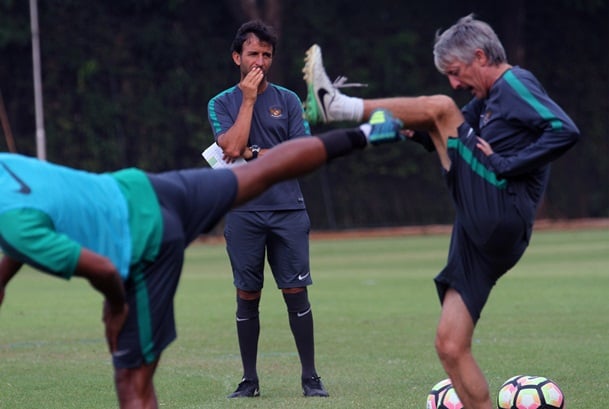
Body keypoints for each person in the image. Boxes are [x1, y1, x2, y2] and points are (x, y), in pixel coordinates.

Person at [0, 109, 403, 409]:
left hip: (147, 245)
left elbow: (103, 269)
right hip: (145, 187)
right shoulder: (8, 166)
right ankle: (369, 132)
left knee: (131, 381)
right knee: (257, 174)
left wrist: (116, 306)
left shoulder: (12, 225)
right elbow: (37, 213)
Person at [300, 14, 579, 409]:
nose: (454, 81)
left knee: (442, 107)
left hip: (503, 208)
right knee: (449, 345)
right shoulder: (484, 100)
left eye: (455, 70)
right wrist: (412, 133)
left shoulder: (514, 83)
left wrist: (506, 165)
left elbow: (564, 129)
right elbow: (446, 137)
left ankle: (337, 105)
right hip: (477, 231)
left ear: (480, 56)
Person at [206, 20, 328, 398]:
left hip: (287, 210)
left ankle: (310, 379)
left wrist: (255, 152)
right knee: (248, 294)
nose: (260, 61)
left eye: (267, 54)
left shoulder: (289, 101)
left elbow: (301, 155)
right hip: (243, 212)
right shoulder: (221, 103)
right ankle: (249, 381)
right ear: (236, 57)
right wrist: (248, 100)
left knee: (296, 292)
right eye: (253, 53)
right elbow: (230, 147)